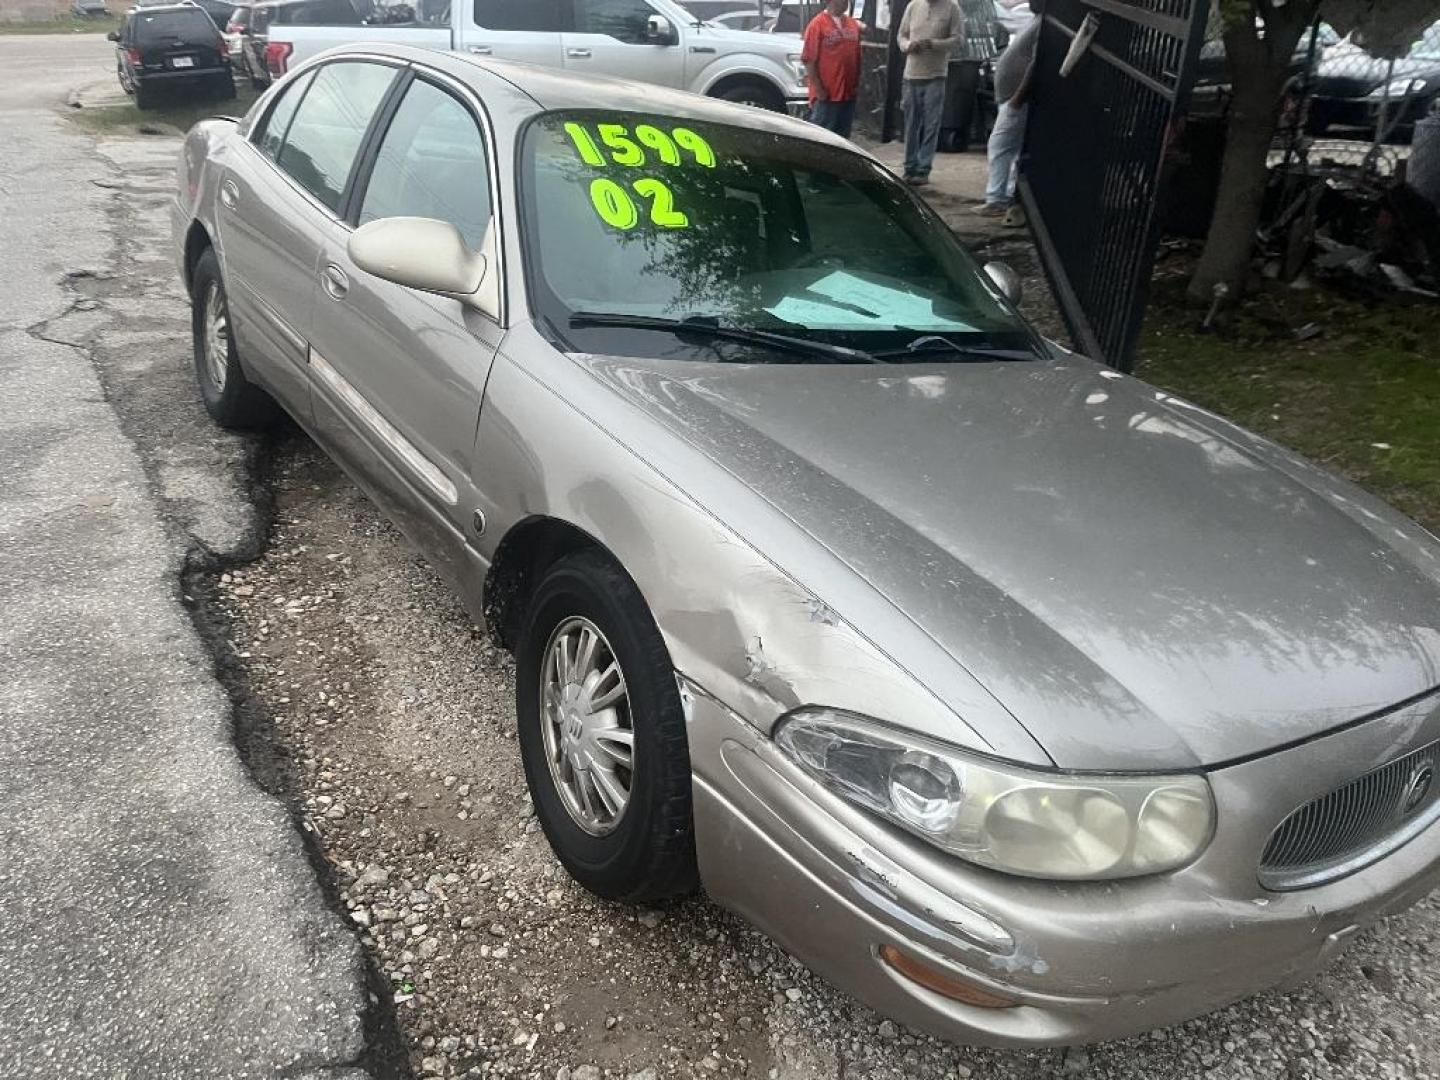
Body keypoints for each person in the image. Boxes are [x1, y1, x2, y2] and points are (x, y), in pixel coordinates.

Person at [977, 12, 1039, 218]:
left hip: (1016, 100)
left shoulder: (1044, 24)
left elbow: (1036, 63)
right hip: (1011, 98)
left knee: (1000, 145)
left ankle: (997, 199)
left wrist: (1018, 98)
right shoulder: (1036, 20)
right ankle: (1005, 196)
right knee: (1009, 148)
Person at [896, 0, 963, 186]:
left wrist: (933, 44)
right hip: (911, 74)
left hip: (936, 75)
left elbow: (958, 40)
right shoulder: (913, 6)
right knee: (911, 124)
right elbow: (901, 35)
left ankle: (923, 169)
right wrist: (908, 45)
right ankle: (909, 167)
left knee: (931, 125)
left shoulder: (952, 7)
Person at [801, 0, 864, 138]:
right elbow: (809, 60)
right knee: (823, 139)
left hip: (848, 94)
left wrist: (856, 85)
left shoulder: (852, 24)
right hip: (827, 96)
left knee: (843, 139)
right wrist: (819, 89)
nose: (846, 3)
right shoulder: (817, 25)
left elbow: (857, 56)